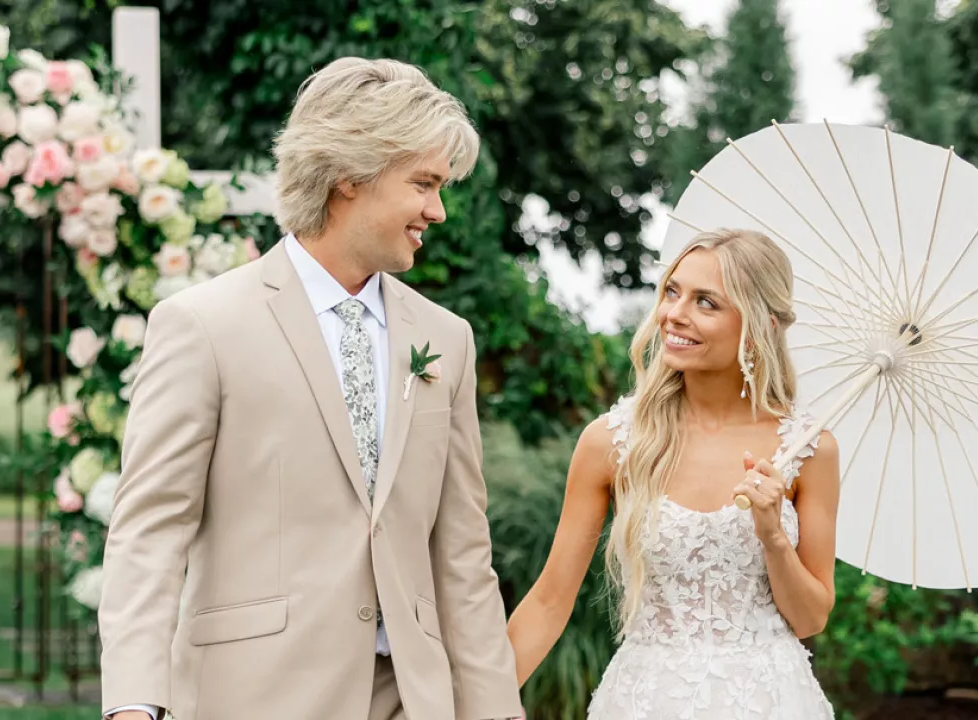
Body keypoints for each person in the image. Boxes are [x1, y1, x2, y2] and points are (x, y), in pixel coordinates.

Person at [98, 57, 524, 720]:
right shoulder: (203, 326)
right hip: (256, 697)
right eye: (424, 184)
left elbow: (463, 556)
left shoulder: (447, 340)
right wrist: (132, 705)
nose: (437, 211)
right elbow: (149, 532)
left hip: (413, 700)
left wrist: (496, 712)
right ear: (352, 172)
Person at [505, 228, 842, 718]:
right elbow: (549, 602)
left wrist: (772, 536)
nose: (674, 314)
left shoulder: (808, 450)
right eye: (672, 291)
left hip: (771, 701)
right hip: (645, 700)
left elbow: (811, 617)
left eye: (706, 302)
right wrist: (476, 703)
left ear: (760, 325)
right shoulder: (613, 442)